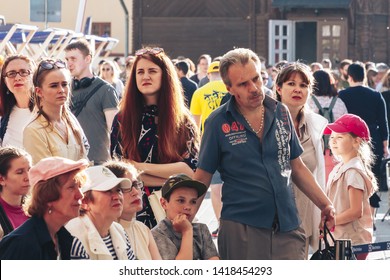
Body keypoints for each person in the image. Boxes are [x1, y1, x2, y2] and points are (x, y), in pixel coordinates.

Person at [193, 48, 335, 260]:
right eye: (243, 84)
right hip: (242, 228)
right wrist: (184, 220)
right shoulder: (217, 122)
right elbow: (202, 178)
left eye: (256, 78)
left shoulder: (281, 112)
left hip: (287, 225)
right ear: (229, 88)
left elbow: (296, 166)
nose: (254, 88)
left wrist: (325, 205)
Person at [110, 47, 200, 229]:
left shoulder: (182, 121)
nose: (145, 77)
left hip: (173, 212)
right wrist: (171, 177)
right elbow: (120, 173)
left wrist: (138, 167)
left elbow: (189, 173)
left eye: (152, 71)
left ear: (165, 76)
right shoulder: (122, 119)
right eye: (140, 72)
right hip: (132, 211)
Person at [274, 62, 327, 258]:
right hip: (271, 220)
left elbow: (317, 173)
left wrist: (325, 206)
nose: (297, 89)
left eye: (304, 85)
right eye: (291, 83)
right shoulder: (266, 121)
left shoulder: (314, 126)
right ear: (279, 88)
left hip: (303, 220)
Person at [0, 157, 88, 259]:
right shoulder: (21, 243)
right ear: (48, 195)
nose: (80, 195)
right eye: (71, 187)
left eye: (80, 186)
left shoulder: (63, 238)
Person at [324, 114, 376, 260]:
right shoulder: (340, 167)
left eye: (339, 137)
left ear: (356, 141)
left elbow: (355, 211)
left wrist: (331, 222)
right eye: (332, 137)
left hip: (353, 243)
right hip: (340, 238)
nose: (333, 141)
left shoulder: (353, 171)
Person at [23, 59, 88, 164]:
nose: (61, 90)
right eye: (54, 86)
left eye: (64, 84)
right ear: (39, 92)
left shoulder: (71, 120)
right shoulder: (33, 130)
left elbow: (85, 161)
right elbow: (46, 177)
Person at [64, 39, 119, 165]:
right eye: (67, 60)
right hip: (70, 163)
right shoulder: (65, 89)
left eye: (73, 59)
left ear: (88, 59)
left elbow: (114, 130)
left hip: (97, 162)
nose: (69, 64)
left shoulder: (106, 90)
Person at [66, 165, 136, 260]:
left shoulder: (118, 230)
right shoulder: (73, 236)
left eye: (118, 190)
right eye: (107, 191)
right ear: (85, 202)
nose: (117, 197)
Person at [338, 63, 389, 191]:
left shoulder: (341, 95)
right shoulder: (376, 95)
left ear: (349, 76)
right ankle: (370, 210)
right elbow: (383, 122)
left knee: (351, 179)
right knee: (371, 181)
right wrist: (385, 146)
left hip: (349, 139)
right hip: (372, 139)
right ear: (364, 76)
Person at [151, 174, 219, 260]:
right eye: (181, 200)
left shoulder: (201, 229)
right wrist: (187, 232)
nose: (188, 207)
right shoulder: (156, 235)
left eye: (193, 201)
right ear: (164, 203)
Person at [104, 161, 162, 260]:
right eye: (125, 188)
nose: (135, 192)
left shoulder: (143, 229)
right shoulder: (103, 231)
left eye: (135, 184)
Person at [309, 69, 348, 181]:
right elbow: (346, 126)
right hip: (336, 149)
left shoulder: (309, 102)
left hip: (314, 148)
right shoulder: (339, 103)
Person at [0, 54, 36, 148]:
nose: (17, 78)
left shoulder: (47, 110)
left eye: (23, 72)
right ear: (5, 81)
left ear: (34, 77)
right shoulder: (5, 116)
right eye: (11, 73)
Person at [0, 147, 31, 239]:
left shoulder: (36, 207)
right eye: (20, 172)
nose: (28, 177)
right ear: (1, 179)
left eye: (29, 170)